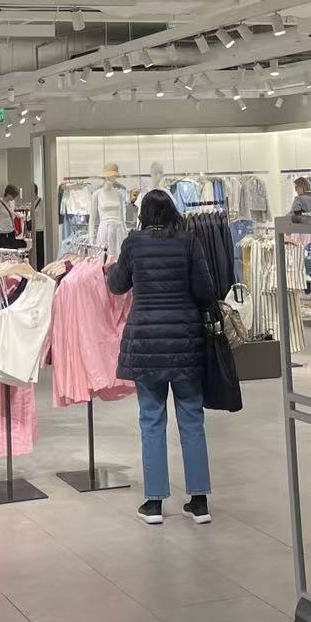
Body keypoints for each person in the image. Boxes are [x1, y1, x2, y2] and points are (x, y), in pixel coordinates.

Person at [108, 188, 217, 526]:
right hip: (185, 340)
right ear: (172, 212)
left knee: (152, 419)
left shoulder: (133, 243)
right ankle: (199, 502)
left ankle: (154, 503)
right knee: (192, 418)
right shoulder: (189, 242)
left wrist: (109, 270)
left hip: (146, 341)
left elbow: (117, 285)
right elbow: (205, 291)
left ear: (143, 214)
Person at [0, 183, 21, 249]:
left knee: (13, 253)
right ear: (8, 194)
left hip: (11, 232)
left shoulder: (12, 203)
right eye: (13, 196)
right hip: (1, 234)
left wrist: (15, 215)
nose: (14, 198)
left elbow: (10, 216)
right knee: (2, 253)